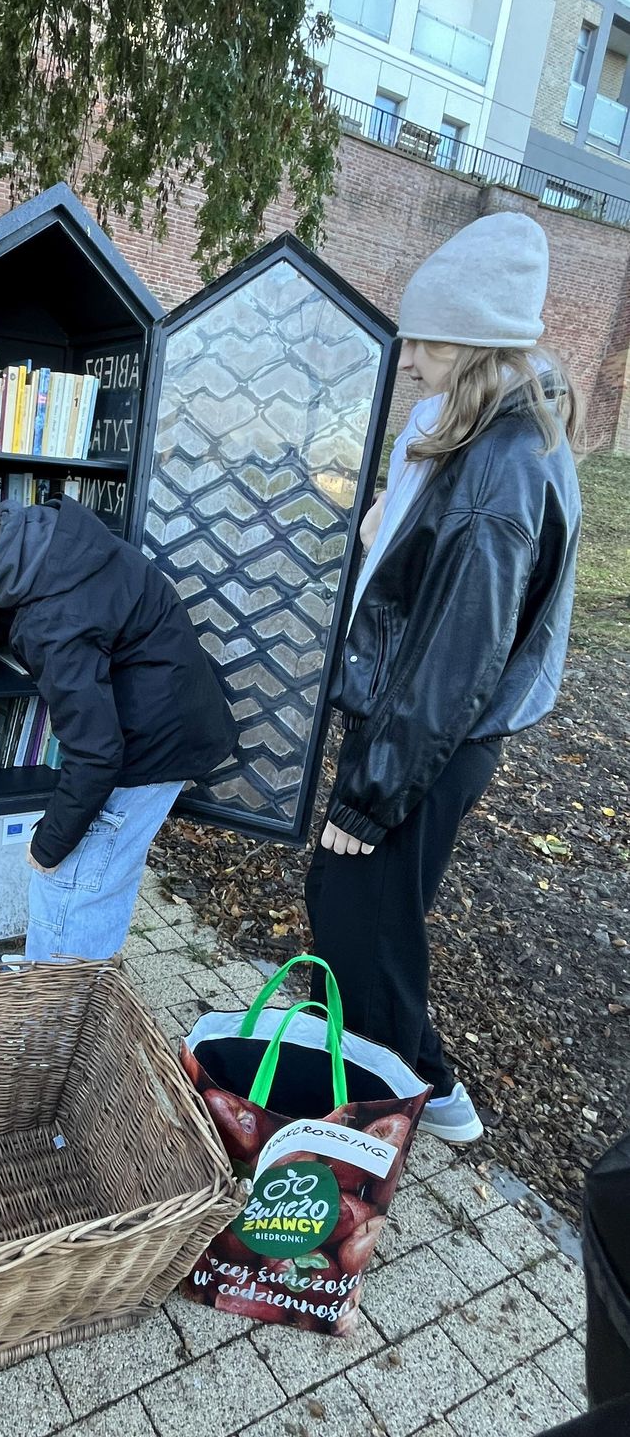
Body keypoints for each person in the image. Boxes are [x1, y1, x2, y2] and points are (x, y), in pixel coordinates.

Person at [306, 211, 582, 1145]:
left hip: (425, 737)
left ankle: (388, 1119)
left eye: (426, 337)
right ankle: (403, 1081)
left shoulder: (504, 468)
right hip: (419, 723)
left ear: (475, 344)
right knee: (372, 920)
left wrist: (370, 797)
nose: (409, 353)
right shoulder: (493, 437)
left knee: (356, 917)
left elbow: (457, 663)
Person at [0, 483, 236, 961]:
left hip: (151, 747)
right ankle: (77, 987)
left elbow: (96, 754)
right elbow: (31, 600)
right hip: (177, 708)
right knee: (106, 873)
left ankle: (55, 1008)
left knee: (73, 886)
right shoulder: (43, 534)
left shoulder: (54, 626)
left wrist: (50, 844)